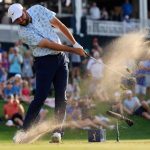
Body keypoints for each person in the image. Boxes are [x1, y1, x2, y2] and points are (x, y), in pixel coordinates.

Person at [8, 3, 86, 143]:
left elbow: (60, 25)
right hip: (44, 62)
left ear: (24, 11)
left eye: (20, 17)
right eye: (17, 20)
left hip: (61, 59)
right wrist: (74, 50)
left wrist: (75, 44)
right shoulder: (22, 32)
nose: (20, 21)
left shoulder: (38, 9)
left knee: (61, 96)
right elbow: (48, 44)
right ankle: (24, 131)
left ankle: (58, 132)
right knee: (41, 96)